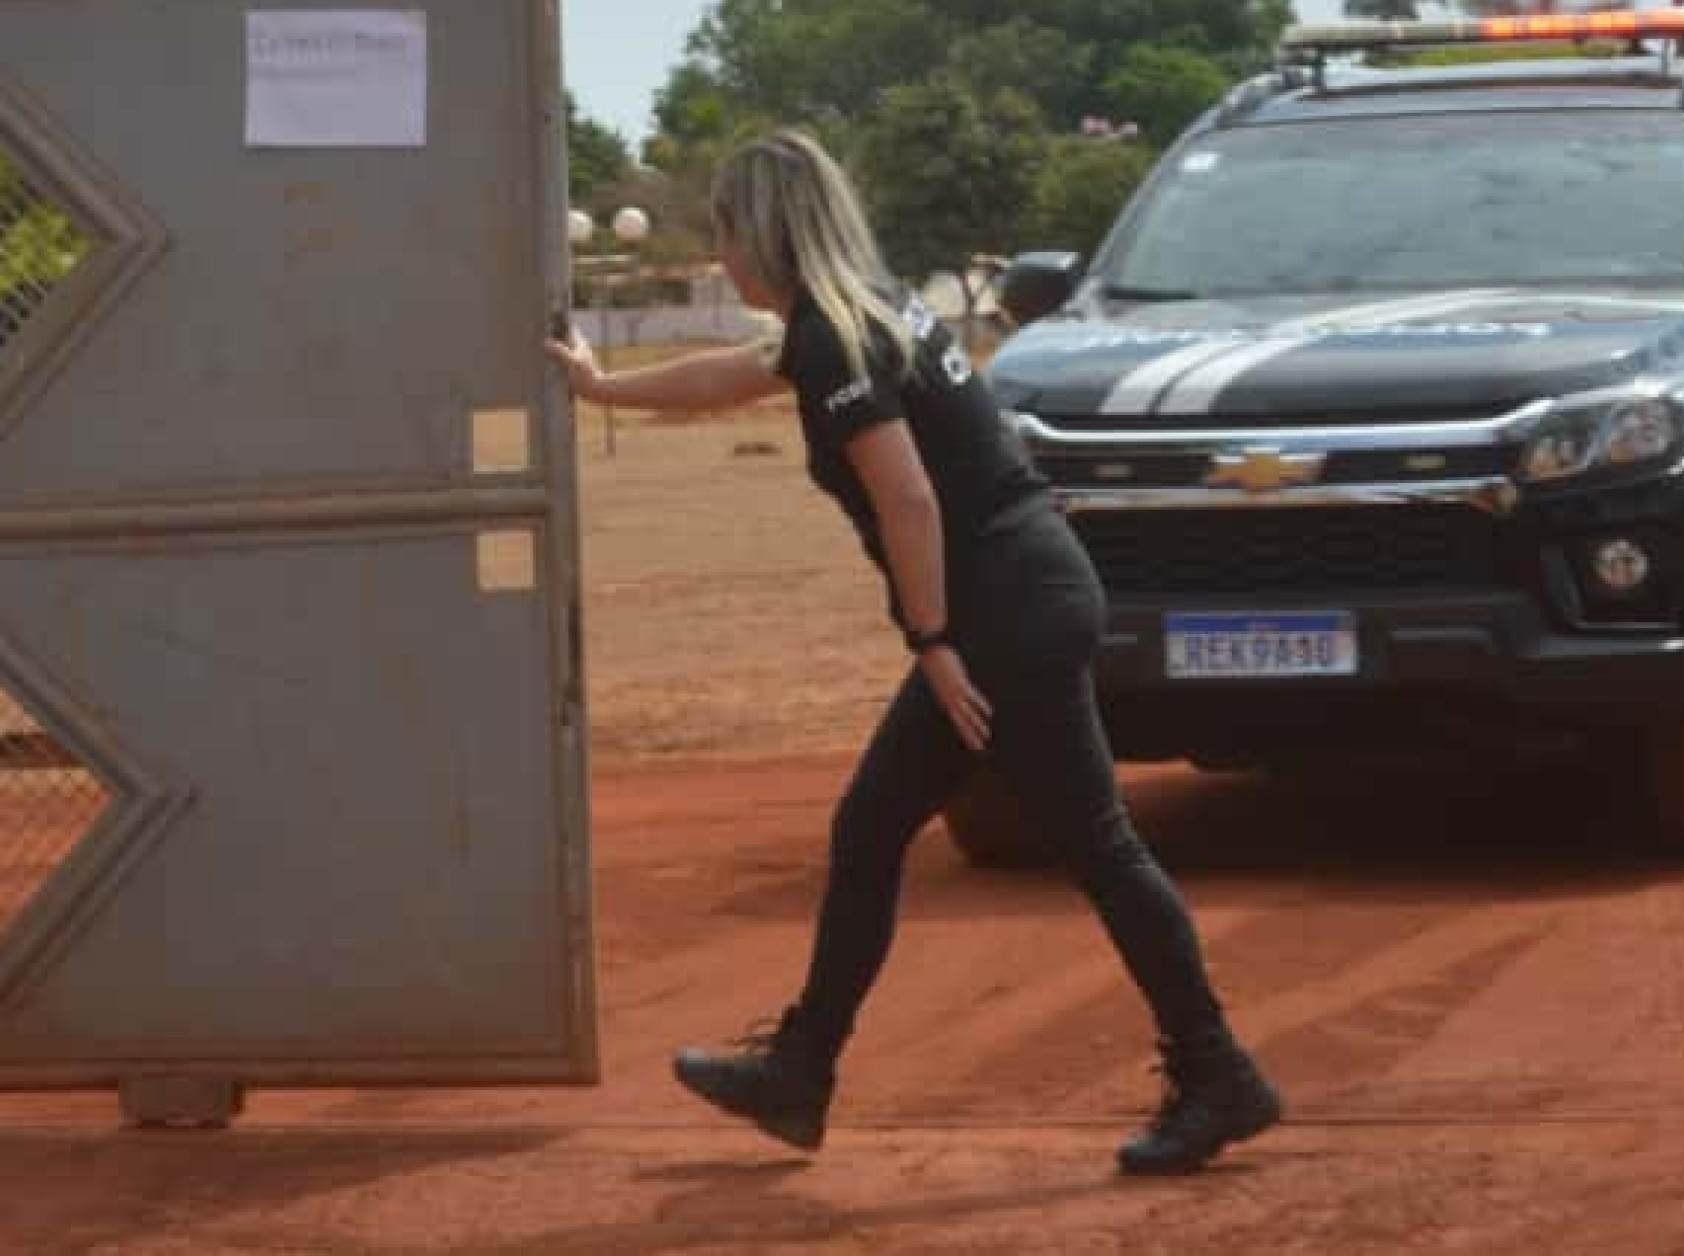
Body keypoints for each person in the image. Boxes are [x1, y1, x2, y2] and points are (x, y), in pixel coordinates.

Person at [545, 130, 1281, 1177]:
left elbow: (909, 498)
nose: (721, 252)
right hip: (1023, 592)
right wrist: (601, 390)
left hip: (1003, 612)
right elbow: (735, 372)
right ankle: (801, 1069)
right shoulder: (859, 312)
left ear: (764, 233)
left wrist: (932, 640)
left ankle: (1217, 1073)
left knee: (1096, 844)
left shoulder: (837, 340)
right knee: (878, 826)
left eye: (725, 230)